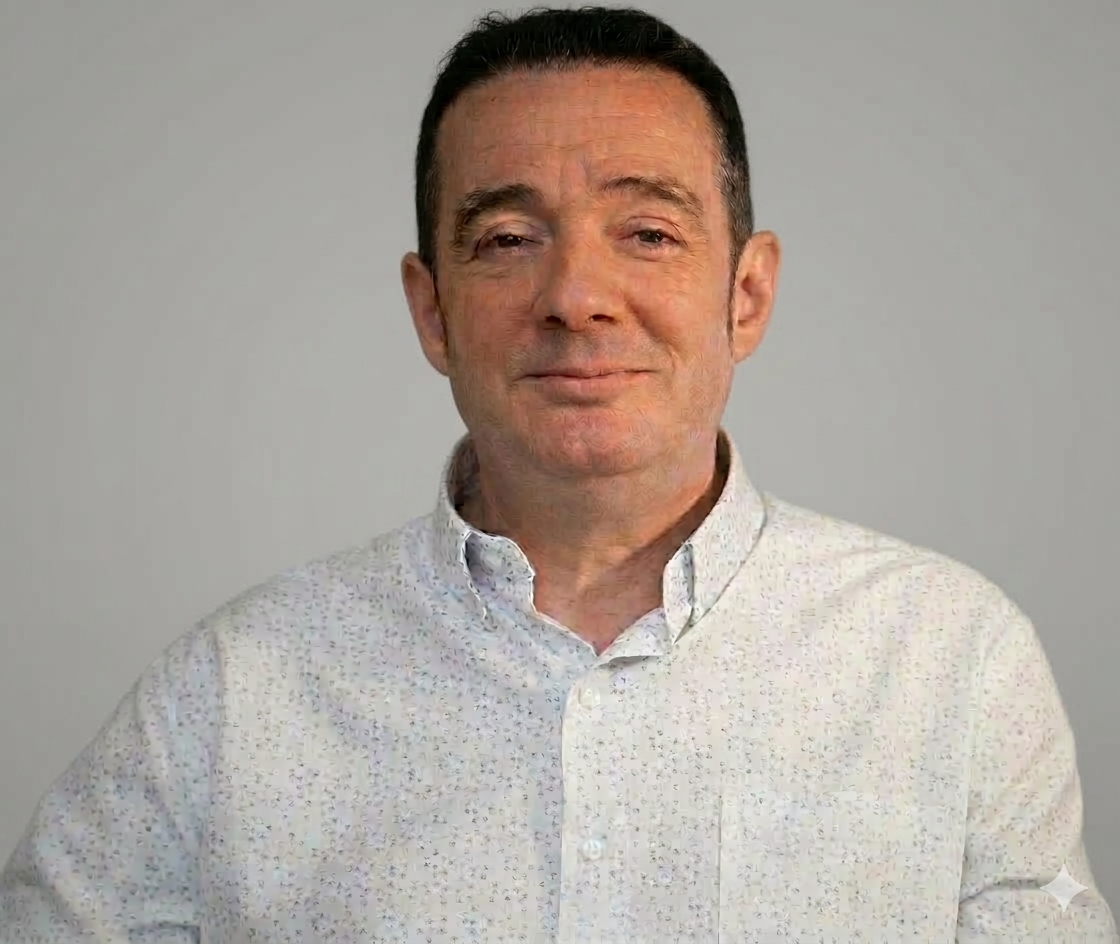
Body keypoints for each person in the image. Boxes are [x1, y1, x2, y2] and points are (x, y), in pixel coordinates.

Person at [1, 5, 1116, 942]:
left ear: (747, 295)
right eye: (505, 239)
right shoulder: (231, 694)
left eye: (648, 232)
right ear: (432, 311)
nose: (576, 296)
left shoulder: (952, 664)